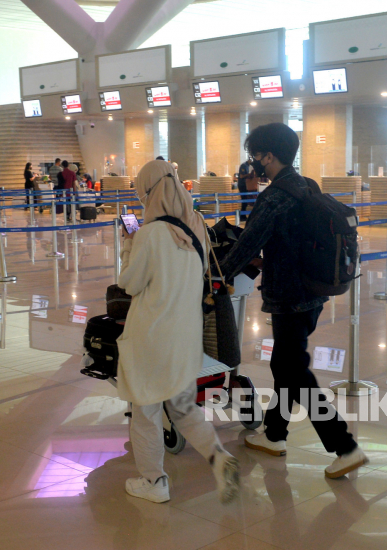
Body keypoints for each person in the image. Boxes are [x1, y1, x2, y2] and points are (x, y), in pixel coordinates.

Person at [219, 123, 368, 480]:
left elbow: (247, 244)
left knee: (294, 371)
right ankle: (274, 435)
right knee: (285, 367)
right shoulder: (307, 186)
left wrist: (216, 272)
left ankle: (344, 447)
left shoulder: (275, 196)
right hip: (314, 291)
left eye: (254, 155)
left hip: (288, 296)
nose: (252, 162)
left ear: (268, 156)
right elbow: (289, 242)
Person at [118, 159, 240, 504]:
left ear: (149, 192)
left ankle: (154, 481)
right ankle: (218, 458)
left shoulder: (150, 234)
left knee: (145, 411)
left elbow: (130, 283)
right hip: (186, 338)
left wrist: (128, 244)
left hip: (151, 337)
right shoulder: (196, 226)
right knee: (184, 408)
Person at [237, 156, 256, 221]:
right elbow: (241, 176)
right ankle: (242, 216)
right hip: (242, 185)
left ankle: (243, 215)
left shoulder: (248, 166)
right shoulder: (244, 165)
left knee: (245, 200)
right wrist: (249, 174)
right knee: (244, 200)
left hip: (245, 185)